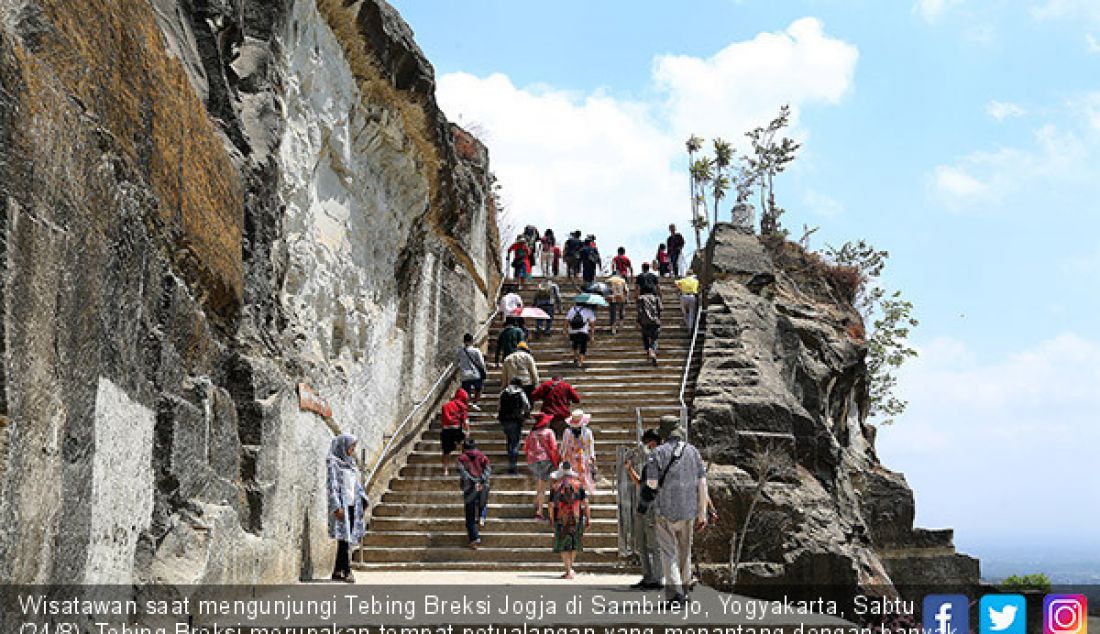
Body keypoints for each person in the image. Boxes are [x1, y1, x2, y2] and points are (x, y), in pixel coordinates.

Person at [645, 415, 708, 606]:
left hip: (665, 510)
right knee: (684, 551)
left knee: (669, 552)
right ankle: (685, 591)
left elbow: (652, 483)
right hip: (689, 510)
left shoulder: (656, 453)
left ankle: (675, 595)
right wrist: (702, 512)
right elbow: (702, 483)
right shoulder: (693, 452)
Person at [326, 433, 369, 583]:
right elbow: (332, 486)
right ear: (343, 446)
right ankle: (347, 570)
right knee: (344, 540)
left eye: (353, 447)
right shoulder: (333, 463)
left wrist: (363, 500)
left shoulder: (350, 463)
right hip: (341, 507)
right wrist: (336, 506)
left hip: (353, 505)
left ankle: (337, 571)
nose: (352, 450)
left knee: (345, 540)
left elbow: (356, 485)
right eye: (351, 446)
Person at [625, 429, 664, 590]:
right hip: (643, 506)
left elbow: (653, 486)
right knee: (641, 543)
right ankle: (648, 577)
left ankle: (657, 578)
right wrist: (630, 470)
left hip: (652, 506)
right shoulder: (650, 462)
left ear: (652, 443)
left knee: (654, 544)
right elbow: (641, 483)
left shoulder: (658, 460)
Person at [549, 460, 590, 579]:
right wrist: (588, 518)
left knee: (563, 544)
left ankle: (568, 570)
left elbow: (551, 505)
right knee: (574, 544)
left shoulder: (556, 487)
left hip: (561, 518)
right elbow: (586, 503)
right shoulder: (579, 485)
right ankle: (570, 568)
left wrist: (551, 519)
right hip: (576, 517)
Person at [456, 438, 491, 548]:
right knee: (483, 503)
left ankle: (474, 539)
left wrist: (473, 481)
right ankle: (482, 516)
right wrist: (481, 480)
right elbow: (488, 469)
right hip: (482, 485)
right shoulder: (482, 456)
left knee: (470, 514)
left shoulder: (461, 459)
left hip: (469, 488)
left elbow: (463, 472)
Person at [524, 414, 559, 520]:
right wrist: (556, 461)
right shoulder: (549, 432)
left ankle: (536, 504)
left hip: (533, 461)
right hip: (545, 460)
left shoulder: (532, 433)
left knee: (539, 485)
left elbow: (526, 448)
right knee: (542, 488)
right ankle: (539, 511)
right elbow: (553, 447)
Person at [498, 377, 531, 474]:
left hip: (505, 420)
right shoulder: (520, 393)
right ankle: (513, 466)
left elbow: (499, 406)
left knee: (509, 441)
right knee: (515, 443)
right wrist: (526, 414)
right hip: (516, 420)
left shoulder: (503, 393)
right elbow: (527, 405)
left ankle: (510, 462)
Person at [560, 409, 596, 494]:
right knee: (583, 476)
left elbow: (564, 446)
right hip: (583, 458)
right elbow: (591, 445)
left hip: (570, 458)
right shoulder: (587, 432)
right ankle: (582, 495)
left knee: (572, 476)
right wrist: (592, 456)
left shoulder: (567, 432)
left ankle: (574, 494)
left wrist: (562, 456)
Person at [439, 388, 470, 476]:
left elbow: (443, 419)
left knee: (446, 451)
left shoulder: (445, 405)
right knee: (465, 447)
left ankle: (445, 470)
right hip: (457, 429)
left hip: (446, 430)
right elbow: (465, 420)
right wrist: (467, 431)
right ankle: (464, 466)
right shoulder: (461, 406)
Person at [457, 333, 487, 410]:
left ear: (464, 341)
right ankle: (474, 403)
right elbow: (481, 363)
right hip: (475, 374)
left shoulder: (460, 351)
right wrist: (484, 371)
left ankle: (467, 404)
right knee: (479, 389)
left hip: (465, 375)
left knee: (466, 391)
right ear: (472, 341)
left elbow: (456, 362)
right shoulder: (476, 351)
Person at [564, 301, 597, 369]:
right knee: (583, 346)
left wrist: (565, 330)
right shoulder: (588, 311)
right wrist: (592, 335)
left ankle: (576, 357)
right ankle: (580, 362)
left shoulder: (572, 309)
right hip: (583, 331)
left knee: (575, 344)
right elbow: (592, 324)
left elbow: (566, 320)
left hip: (572, 331)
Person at [637, 287, 663, 366]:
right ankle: (652, 350)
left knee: (645, 337)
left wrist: (638, 321)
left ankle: (648, 349)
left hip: (644, 322)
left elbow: (639, 310)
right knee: (654, 338)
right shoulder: (656, 298)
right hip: (655, 321)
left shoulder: (640, 298)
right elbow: (661, 308)